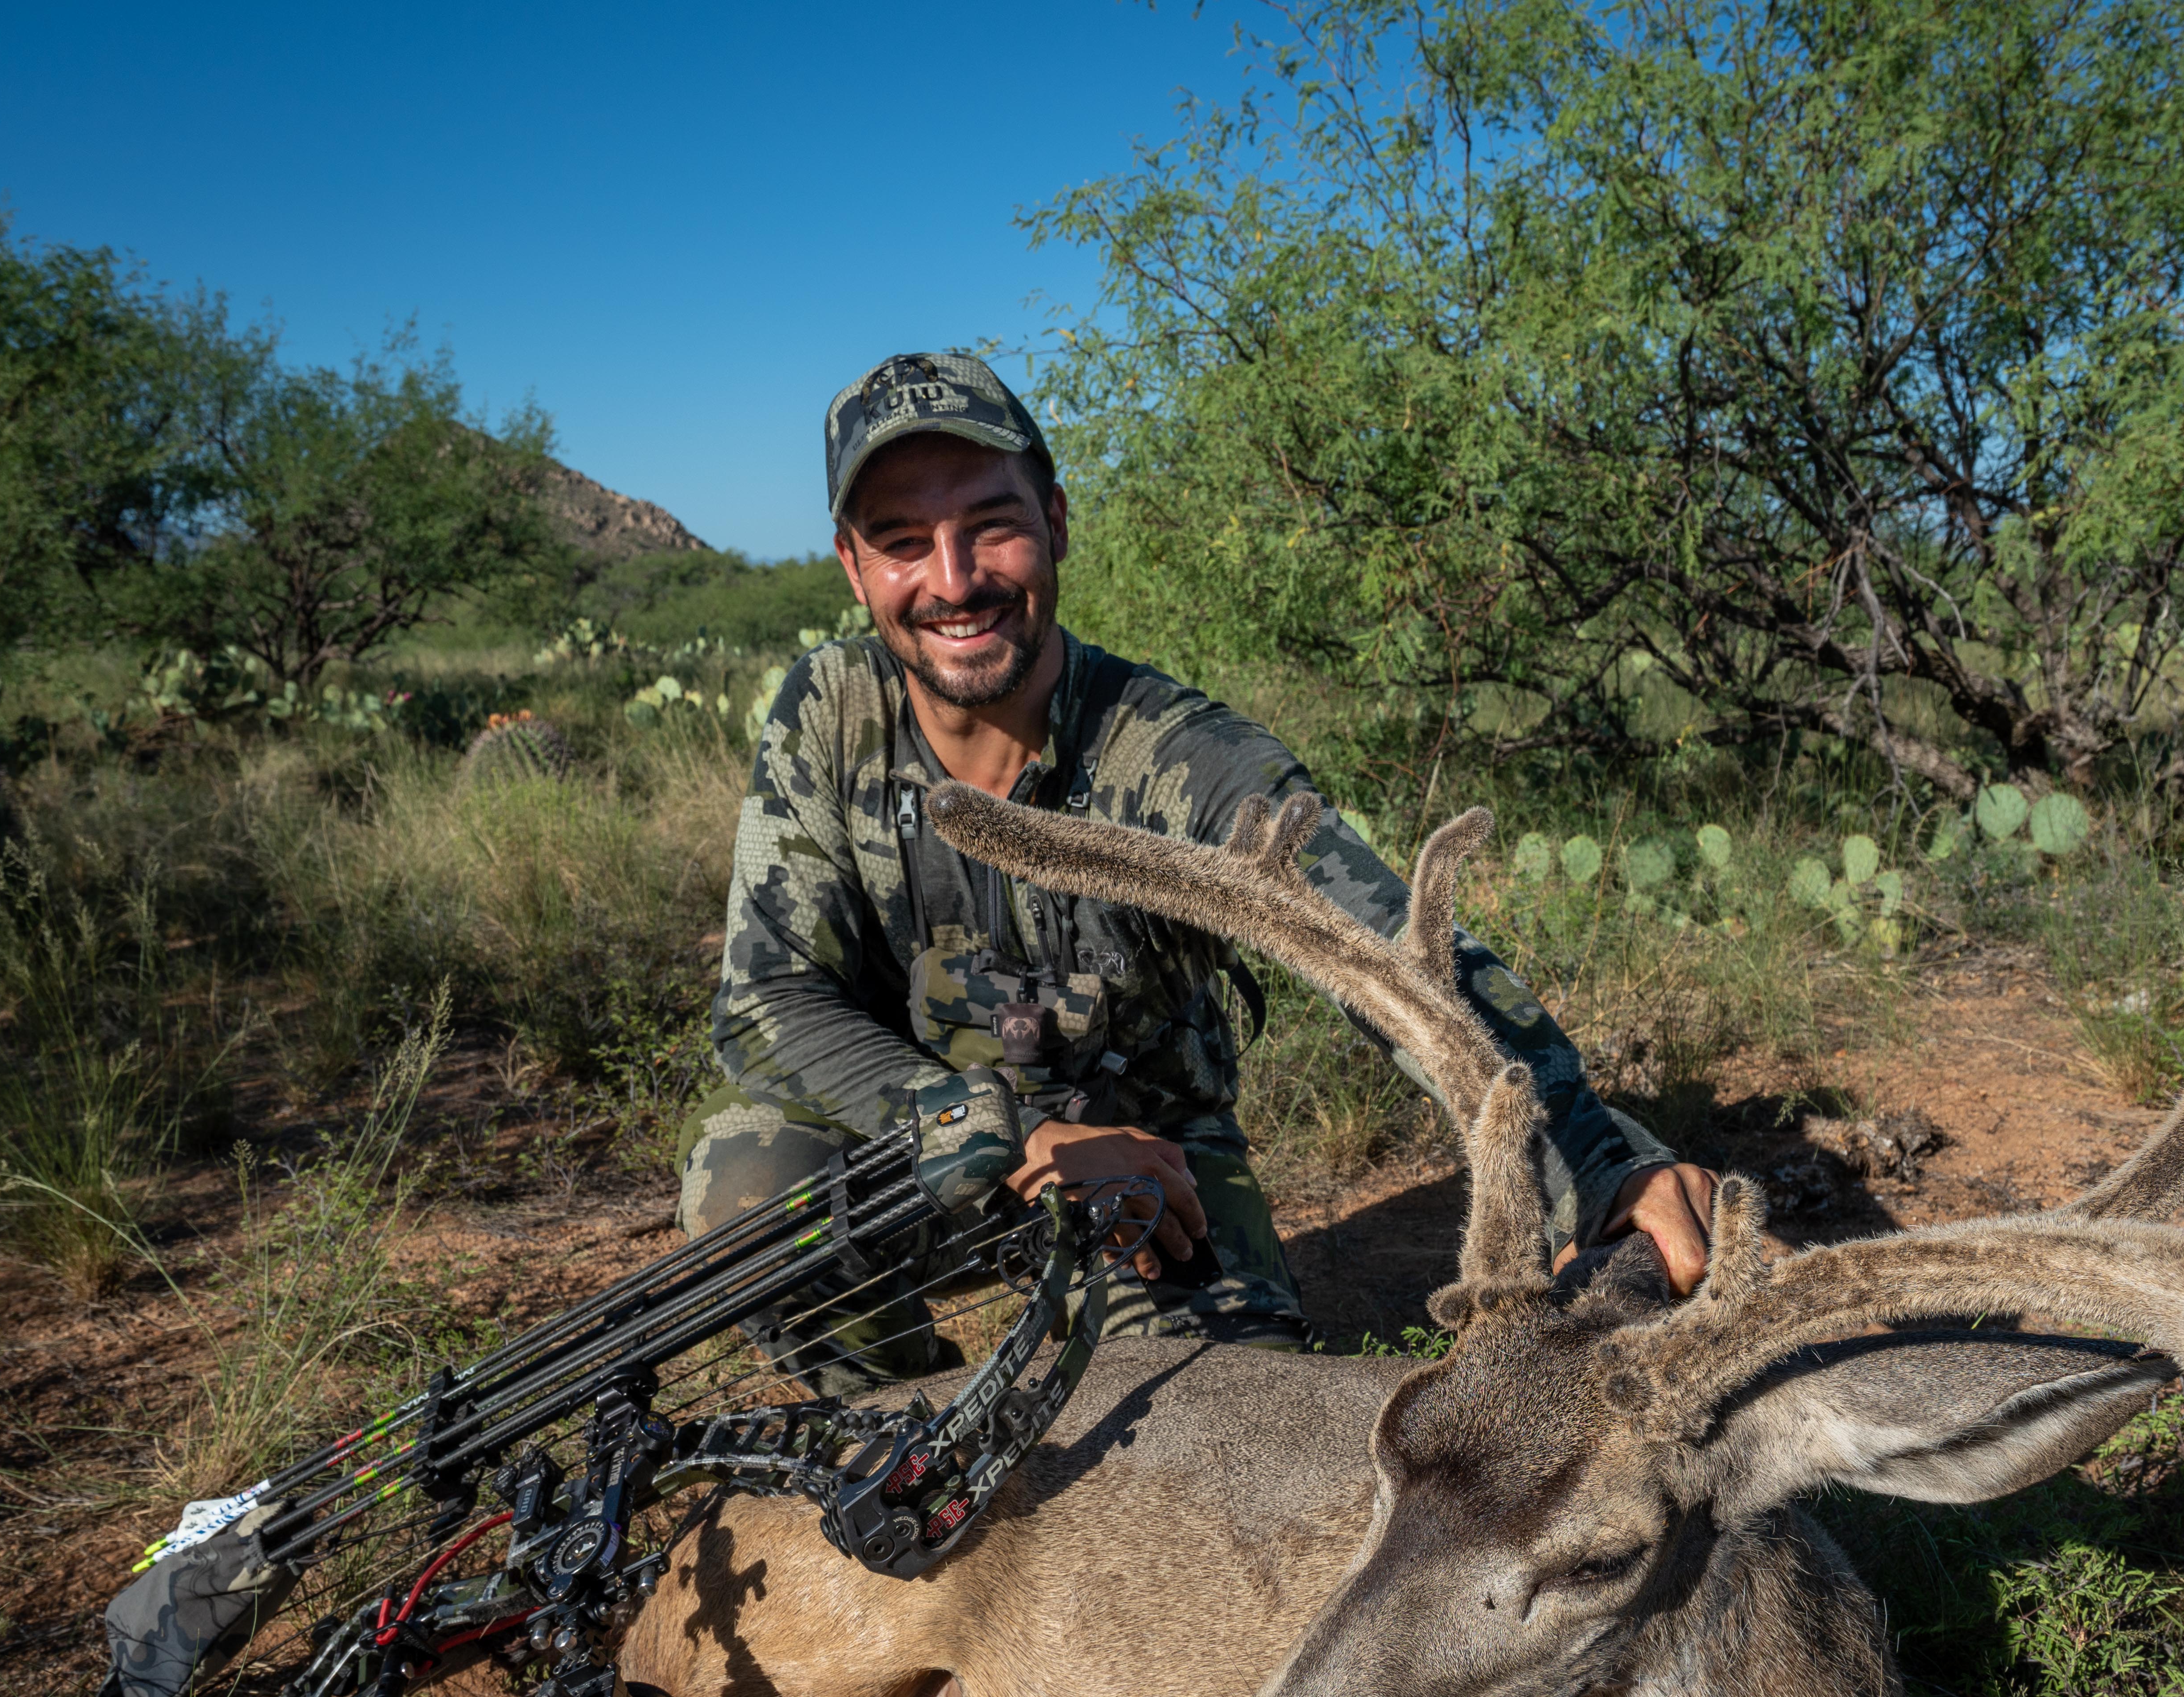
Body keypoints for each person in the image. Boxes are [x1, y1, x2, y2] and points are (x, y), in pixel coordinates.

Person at [678, 350, 1716, 1391]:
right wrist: (1016, 1134)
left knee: (1211, 1440)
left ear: (1056, 523)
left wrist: (1599, 1162)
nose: (953, 581)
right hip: (925, 1139)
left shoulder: (1183, 756)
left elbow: (1387, 957)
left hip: (1148, 1173)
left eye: (990, 525)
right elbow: (768, 1001)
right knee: (748, 1190)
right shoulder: (831, 712)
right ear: (853, 567)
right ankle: (899, 1421)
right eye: (903, 541)